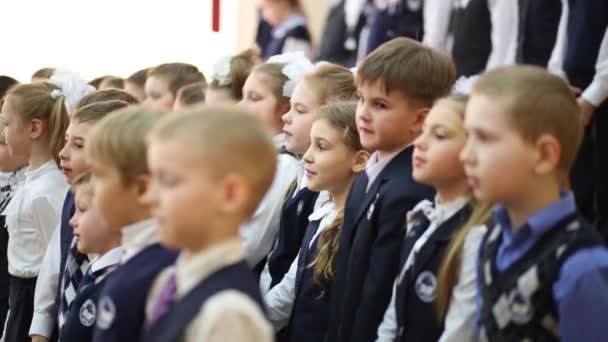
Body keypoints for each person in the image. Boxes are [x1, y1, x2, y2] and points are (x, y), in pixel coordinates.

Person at [460, 65, 608, 341]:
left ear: (544, 155)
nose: (465, 155)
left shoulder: (581, 266)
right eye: (467, 136)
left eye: (483, 138)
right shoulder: (492, 239)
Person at [326, 37, 455, 342]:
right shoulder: (365, 176)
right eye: (360, 99)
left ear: (419, 119)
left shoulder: (410, 189)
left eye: (380, 105)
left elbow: (378, 292)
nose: (363, 113)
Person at [142, 106, 275, 342]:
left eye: (169, 181)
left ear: (230, 194)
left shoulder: (227, 314)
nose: (149, 197)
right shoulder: (170, 280)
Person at [376, 95, 490, 341]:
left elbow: (460, 333)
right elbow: (393, 317)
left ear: (473, 150)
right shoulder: (422, 216)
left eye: (439, 135)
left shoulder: (476, 235)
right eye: (424, 131)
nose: (420, 143)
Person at [265, 102, 369, 342]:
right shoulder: (323, 211)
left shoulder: (355, 228)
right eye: (310, 144)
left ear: (359, 160)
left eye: (321, 147)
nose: (308, 157)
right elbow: (289, 291)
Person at [29, 101, 130, 342]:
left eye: (79, 145)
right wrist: (41, 327)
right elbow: (56, 264)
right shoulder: (71, 196)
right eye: (66, 140)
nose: (63, 152)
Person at [260, 63, 357, 293]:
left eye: (300, 110)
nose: (286, 116)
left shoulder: (326, 189)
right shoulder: (303, 173)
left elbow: (295, 282)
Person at [86, 107, 178, 342]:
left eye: (99, 175)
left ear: (142, 188)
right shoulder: (138, 253)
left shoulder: (166, 273)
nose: (93, 188)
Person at [1, 82, 70, 342]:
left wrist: (41, 325)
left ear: (34, 128)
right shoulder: (34, 182)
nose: (3, 132)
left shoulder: (46, 191)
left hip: (36, 302)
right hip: (20, 297)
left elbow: (56, 264)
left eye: (7, 124)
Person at [58, 172, 122, 341]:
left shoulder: (117, 280)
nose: (72, 220)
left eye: (83, 210)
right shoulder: (95, 271)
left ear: (113, 215)